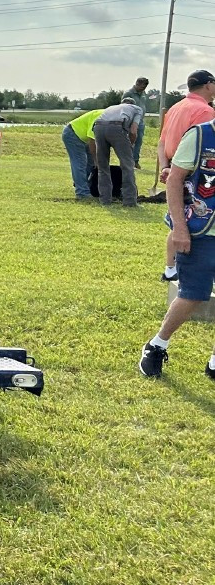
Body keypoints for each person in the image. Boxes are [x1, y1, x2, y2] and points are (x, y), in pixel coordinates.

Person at [139, 117, 215, 380]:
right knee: (192, 295)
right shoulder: (200, 136)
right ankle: (157, 345)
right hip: (202, 231)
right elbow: (174, 181)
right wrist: (180, 230)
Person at [155, 71, 215, 281]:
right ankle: (187, 273)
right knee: (194, 221)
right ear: (208, 85)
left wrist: (165, 167)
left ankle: (171, 268)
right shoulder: (205, 111)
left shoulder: (175, 107)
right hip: (198, 172)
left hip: (174, 167)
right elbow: (206, 149)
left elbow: (162, 142)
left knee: (177, 217)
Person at [93, 97, 144, 208]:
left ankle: (105, 200)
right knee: (127, 165)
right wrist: (130, 145)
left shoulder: (112, 107)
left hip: (98, 127)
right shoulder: (137, 109)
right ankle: (130, 201)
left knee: (103, 166)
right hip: (116, 127)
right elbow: (133, 130)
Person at [61, 107, 104, 201]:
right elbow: (92, 140)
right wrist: (97, 160)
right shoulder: (101, 118)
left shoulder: (110, 115)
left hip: (84, 137)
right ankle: (82, 193)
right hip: (72, 134)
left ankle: (83, 185)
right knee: (80, 163)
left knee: (90, 164)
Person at [124, 76, 150, 168]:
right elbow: (124, 108)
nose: (143, 89)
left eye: (145, 87)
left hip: (141, 121)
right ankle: (127, 161)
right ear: (137, 84)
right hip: (131, 122)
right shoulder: (128, 93)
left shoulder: (143, 93)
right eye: (142, 87)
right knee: (129, 142)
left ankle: (135, 161)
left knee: (138, 142)